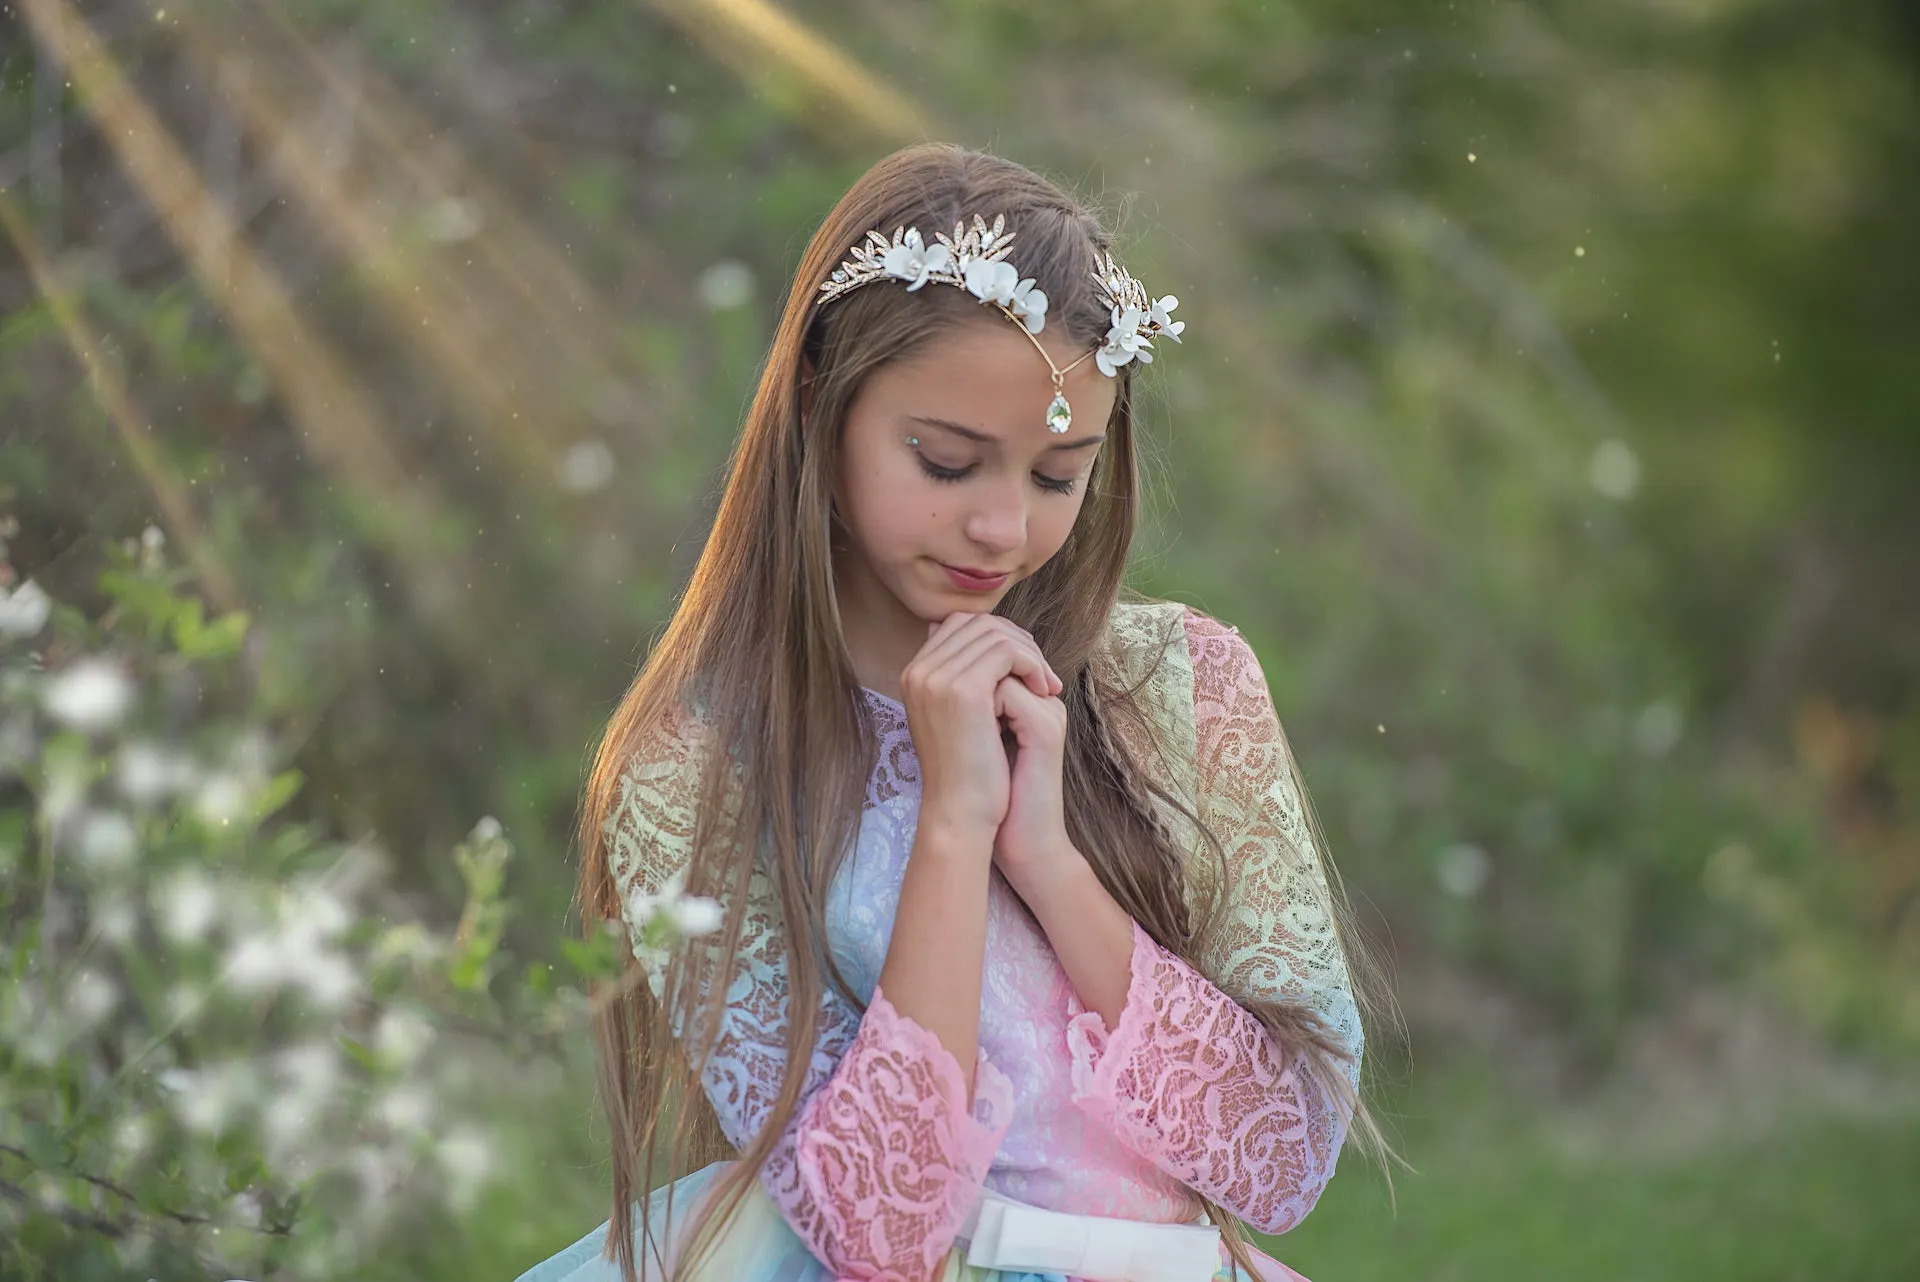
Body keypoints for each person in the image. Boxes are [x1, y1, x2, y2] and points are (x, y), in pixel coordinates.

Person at [517, 142, 1385, 1282]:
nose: (1001, 530)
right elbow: (876, 1233)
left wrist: (1048, 859)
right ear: (822, 409)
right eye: (946, 462)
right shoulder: (698, 768)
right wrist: (951, 826)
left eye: (1055, 476)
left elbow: (1281, 1162)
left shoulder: (1183, 681)